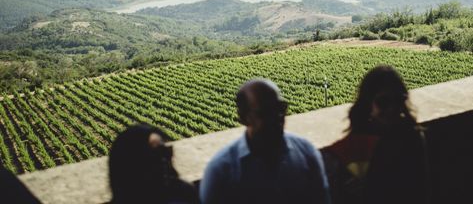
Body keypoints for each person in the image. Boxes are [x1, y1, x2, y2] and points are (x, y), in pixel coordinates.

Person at [199, 78, 330, 204]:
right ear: (244, 118)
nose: (278, 116)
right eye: (267, 112)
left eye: (281, 108)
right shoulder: (221, 170)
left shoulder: (307, 153)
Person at [322, 66, 428, 204]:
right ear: (368, 104)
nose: (392, 108)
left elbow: (420, 192)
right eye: (383, 102)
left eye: (398, 100)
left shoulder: (411, 138)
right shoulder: (355, 146)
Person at [109, 124, 198, 204]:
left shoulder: (184, 192)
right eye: (154, 154)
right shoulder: (184, 193)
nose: (163, 160)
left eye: (165, 151)